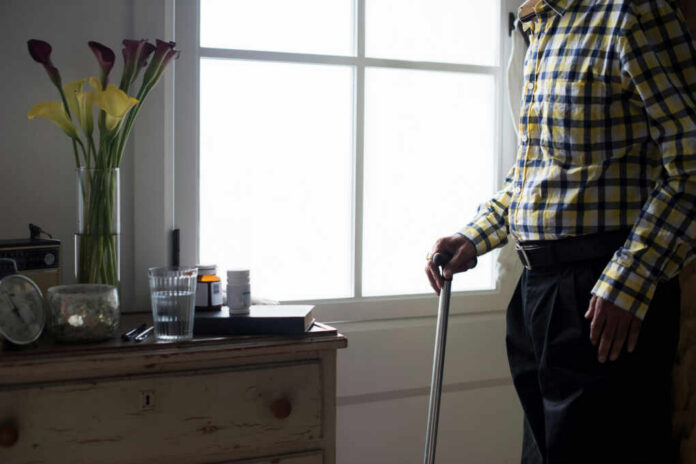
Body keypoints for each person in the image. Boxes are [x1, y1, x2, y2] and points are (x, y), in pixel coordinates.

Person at [426, 0, 696, 462]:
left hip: (606, 293)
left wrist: (628, 279)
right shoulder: (543, 26)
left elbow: (690, 165)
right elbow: (538, 171)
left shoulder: (633, 14)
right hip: (537, 293)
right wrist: (477, 234)